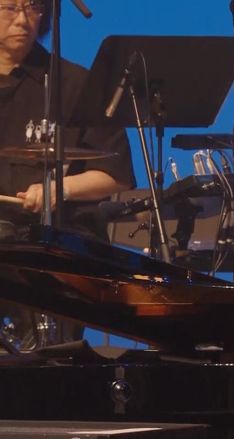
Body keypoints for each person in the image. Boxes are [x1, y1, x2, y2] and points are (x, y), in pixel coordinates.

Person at [0, 0, 135, 350]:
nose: (23, 20)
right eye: (10, 8)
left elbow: (115, 174)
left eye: (32, 8)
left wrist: (59, 189)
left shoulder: (74, 84)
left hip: (53, 244)